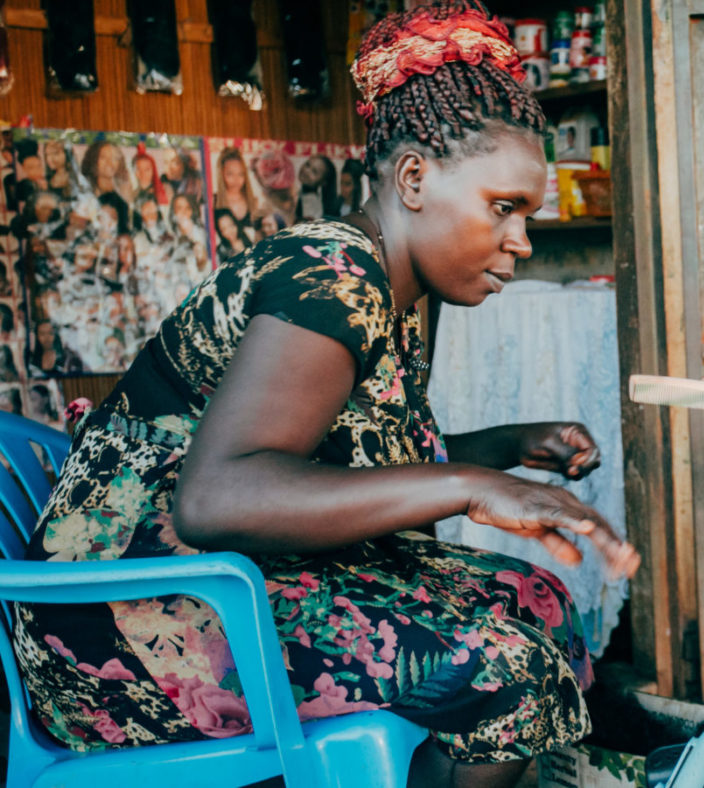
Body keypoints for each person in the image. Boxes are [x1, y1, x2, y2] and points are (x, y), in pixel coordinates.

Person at [12, 6, 639, 788]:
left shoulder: (393, 287)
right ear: (414, 179)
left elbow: (344, 462)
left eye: (528, 215)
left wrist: (507, 450)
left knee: (538, 599)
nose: (521, 241)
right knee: (507, 670)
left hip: (230, 577)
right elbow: (216, 496)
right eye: (503, 208)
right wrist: (478, 486)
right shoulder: (331, 276)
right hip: (129, 621)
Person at [296, 153, 340, 221]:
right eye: (307, 165)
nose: (306, 171)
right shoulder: (300, 193)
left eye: (314, 172)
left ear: (323, 182)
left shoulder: (311, 202)